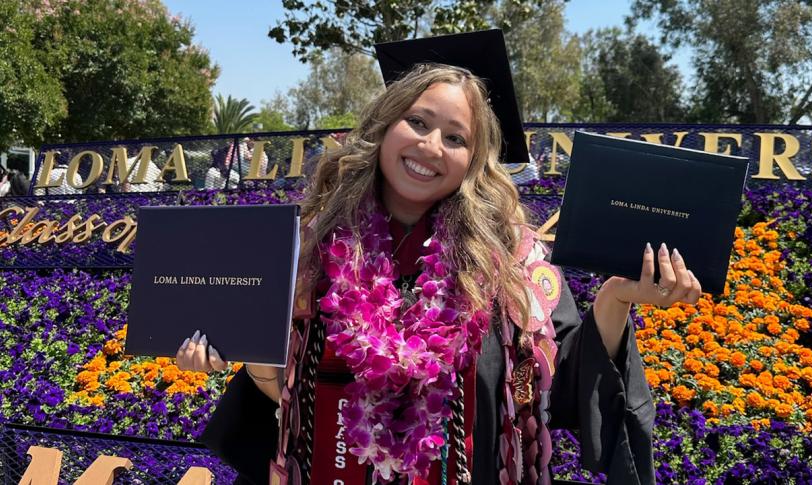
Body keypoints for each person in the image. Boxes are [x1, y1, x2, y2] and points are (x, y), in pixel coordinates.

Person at [177, 30, 701, 485]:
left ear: (475, 159)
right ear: (384, 127)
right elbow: (281, 394)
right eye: (418, 122)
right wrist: (235, 349)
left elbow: (556, 384)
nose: (431, 146)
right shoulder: (312, 249)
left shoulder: (512, 262)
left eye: (455, 137)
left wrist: (614, 298)